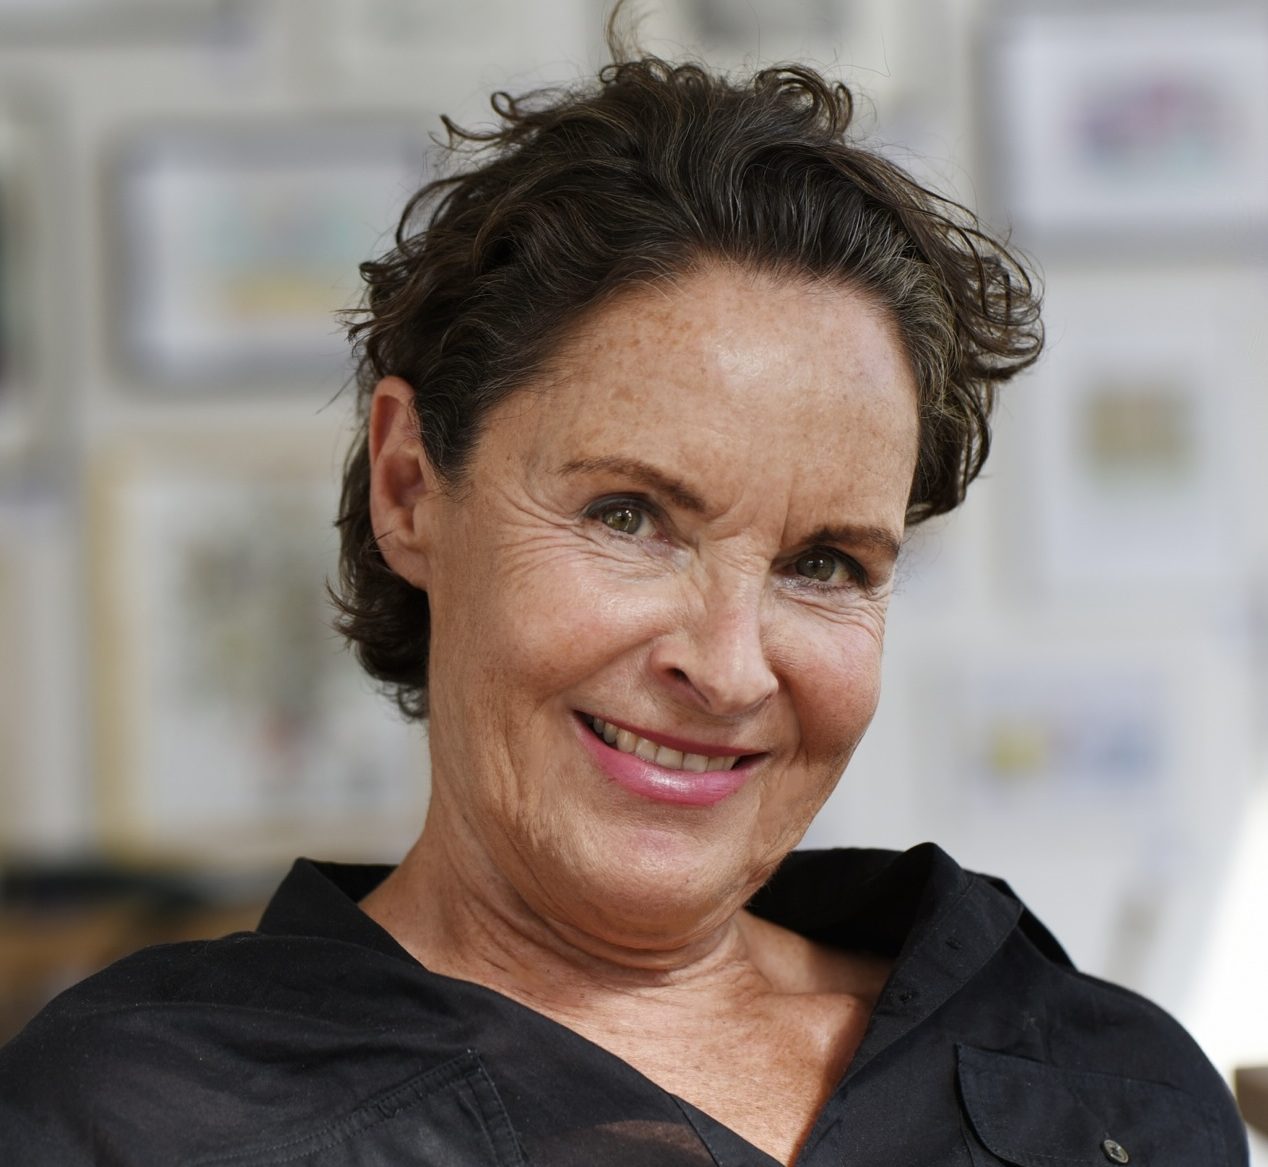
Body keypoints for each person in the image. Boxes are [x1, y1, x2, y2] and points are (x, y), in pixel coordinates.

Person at [0, 44, 1249, 1167]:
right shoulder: (138, 1120)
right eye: (627, 516)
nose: (728, 668)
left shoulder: (1104, 1092)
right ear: (408, 488)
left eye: (823, 564)